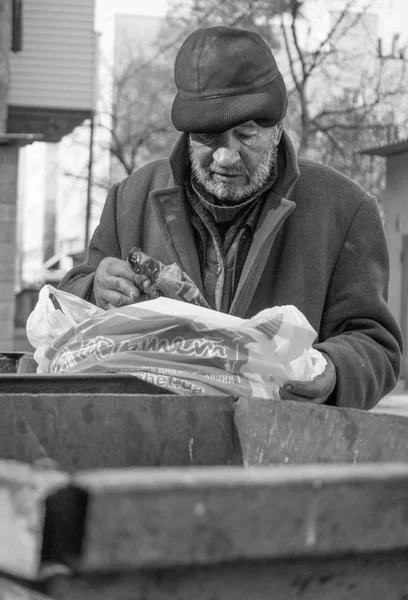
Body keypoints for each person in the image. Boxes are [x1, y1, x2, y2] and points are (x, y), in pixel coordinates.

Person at [58, 26, 403, 410]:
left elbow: (375, 342)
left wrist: (336, 371)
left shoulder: (344, 210)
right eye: (208, 138)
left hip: (280, 449)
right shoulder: (131, 198)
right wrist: (95, 286)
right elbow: (69, 301)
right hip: (155, 442)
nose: (225, 157)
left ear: (276, 130)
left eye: (246, 135)